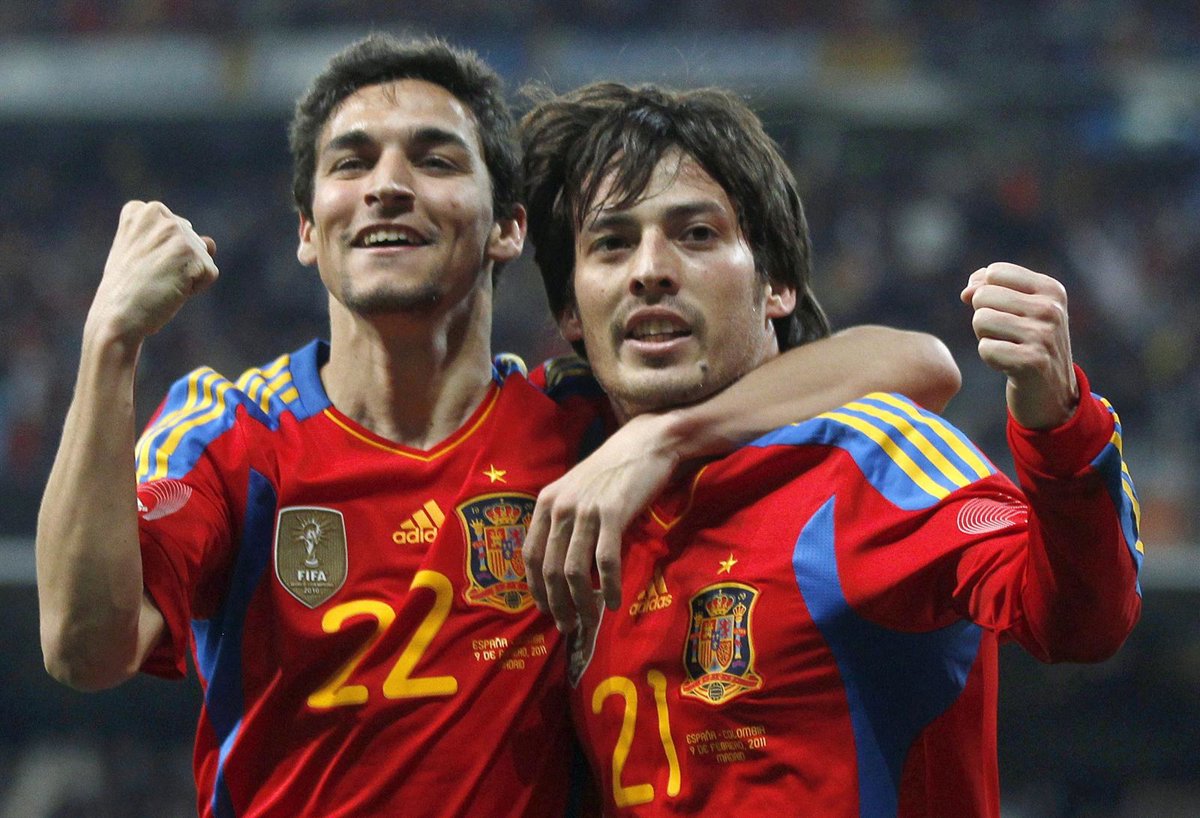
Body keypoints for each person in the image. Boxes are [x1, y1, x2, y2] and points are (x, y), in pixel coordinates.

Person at [35, 34, 959, 818]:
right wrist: (109, 343)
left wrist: (661, 436)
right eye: (352, 163)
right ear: (308, 230)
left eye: (435, 160)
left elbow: (915, 363)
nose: (387, 186)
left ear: (509, 228)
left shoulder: (583, 424)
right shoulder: (227, 434)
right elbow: (84, 648)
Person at [519, 81, 1144, 817]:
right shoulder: (557, 470)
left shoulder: (867, 461)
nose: (649, 269)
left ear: (777, 285)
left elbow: (1078, 620)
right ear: (570, 311)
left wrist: (1058, 422)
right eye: (612, 243)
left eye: (697, 235)